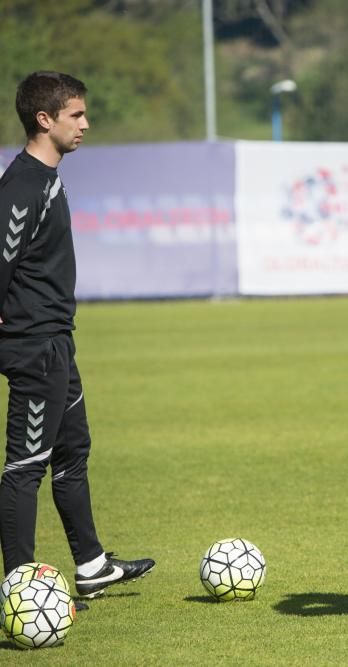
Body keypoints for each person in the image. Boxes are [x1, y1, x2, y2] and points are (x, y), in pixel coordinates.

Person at [0, 71, 155, 603]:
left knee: (73, 450)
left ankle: (90, 564)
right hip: (35, 347)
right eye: (76, 115)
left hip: (57, 342)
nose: (86, 124)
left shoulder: (48, 175)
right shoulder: (22, 185)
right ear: (44, 120)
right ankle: (18, 587)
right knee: (25, 465)